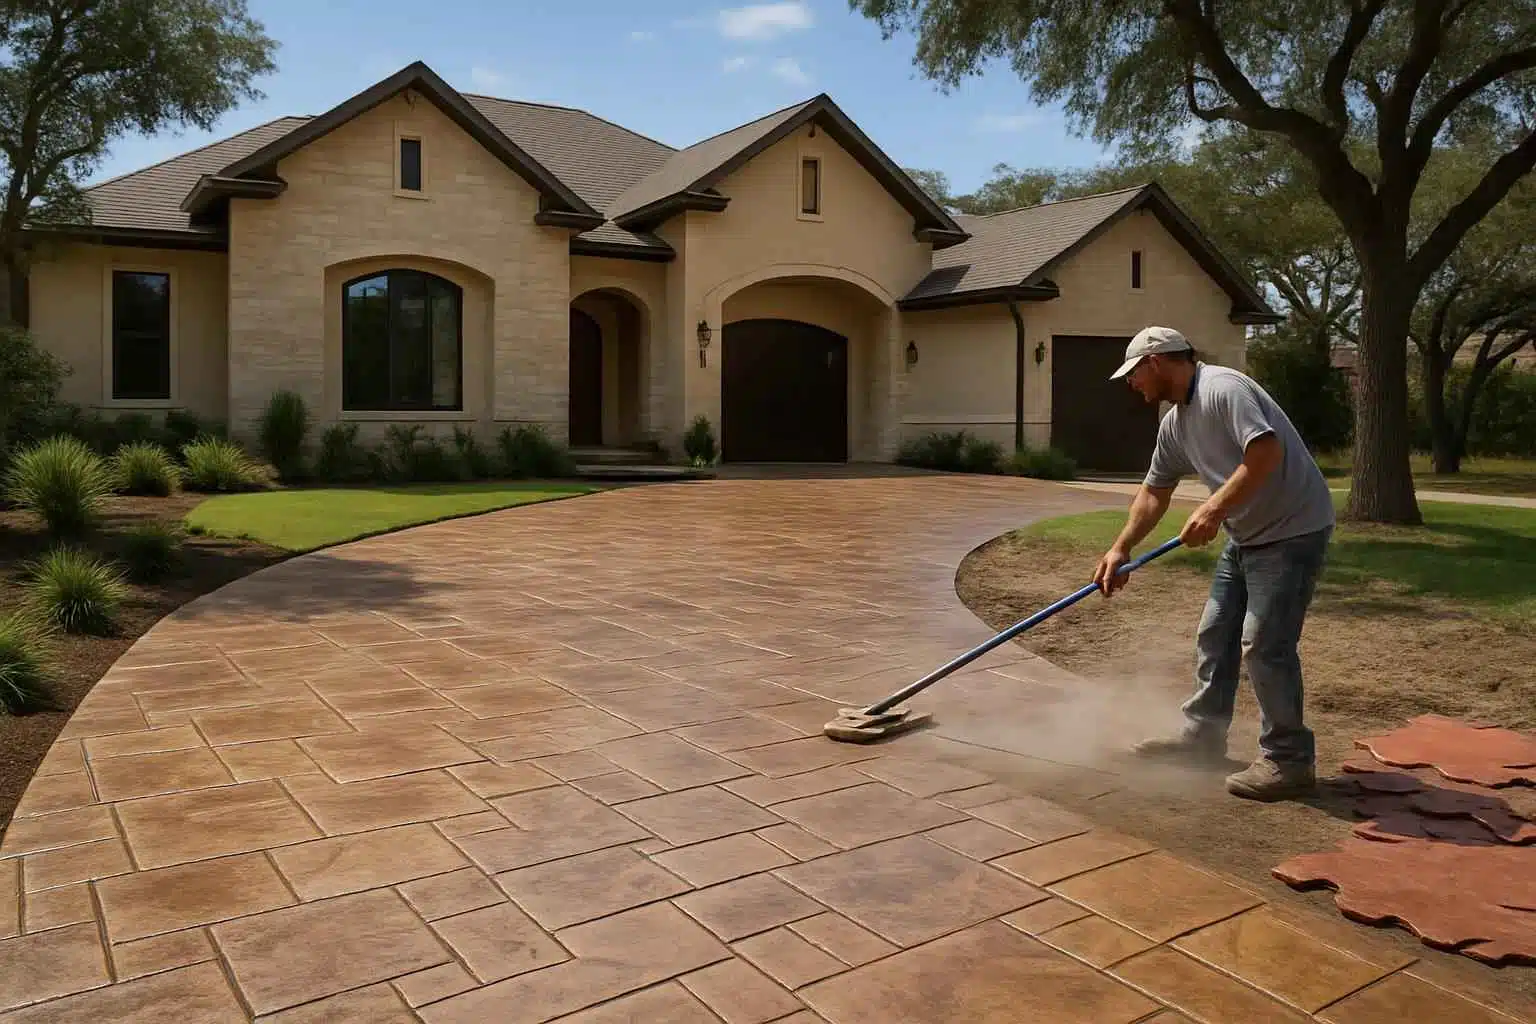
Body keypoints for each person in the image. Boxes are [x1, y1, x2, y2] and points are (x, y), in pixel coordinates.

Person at [1091, 326, 1335, 802]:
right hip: (1246, 534)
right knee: (1215, 632)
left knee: (1264, 644)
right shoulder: (1175, 423)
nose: (1132, 384)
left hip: (1293, 530)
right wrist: (1121, 548)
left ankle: (1289, 760)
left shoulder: (1223, 388)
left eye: (1134, 373)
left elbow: (1265, 451)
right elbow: (1154, 492)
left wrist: (1213, 509)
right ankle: (1202, 737)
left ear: (1156, 362)